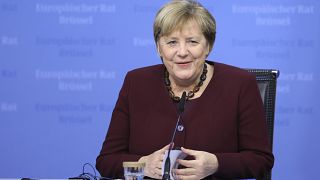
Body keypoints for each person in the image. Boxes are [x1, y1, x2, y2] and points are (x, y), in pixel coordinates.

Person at [96, 0, 274, 179]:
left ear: (208, 46)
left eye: (192, 41)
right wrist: (143, 165)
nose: (182, 52)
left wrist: (216, 164)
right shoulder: (136, 82)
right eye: (172, 42)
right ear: (159, 47)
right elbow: (106, 161)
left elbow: (261, 160)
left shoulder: (240, 84)